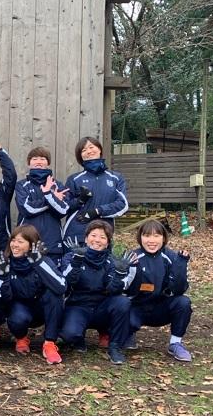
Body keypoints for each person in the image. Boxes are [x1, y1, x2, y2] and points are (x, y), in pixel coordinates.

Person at [59, 220, 136, 365]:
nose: (97, 240)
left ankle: (115, 346)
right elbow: (67, 282)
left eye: (102, 237)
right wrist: (77, 261)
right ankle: (78, 338)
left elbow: (113, 290)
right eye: (93, 235)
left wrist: (119, 274)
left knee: (123, 302)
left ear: (107, 243)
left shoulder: (110, 261)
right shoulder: (72, 256)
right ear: (86, 238)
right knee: (70, 334)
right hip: (78, 306)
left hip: (101, 307)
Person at [0, 225, 66, 364]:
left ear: (31, 245)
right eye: (13, 240)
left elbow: (61, 286)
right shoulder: (5, 263)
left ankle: (49, 343)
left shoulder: (42, 260)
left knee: (54, 295)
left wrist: (38, 263)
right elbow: (2, 300)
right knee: (17, 318)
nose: (15, 245)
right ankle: (21, 337)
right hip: (20, 308)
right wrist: (3, 277)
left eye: (20, 242)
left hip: (41, 307)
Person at [126, 219, 193, 362]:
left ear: (163, 238)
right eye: (147, 235)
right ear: (140, 237)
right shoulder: (132, 256)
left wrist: (181, 264)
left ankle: (175, 343)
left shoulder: (172, 257)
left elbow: (179, 289)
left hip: (160, 308)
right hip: (136, 308)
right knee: (121, 306)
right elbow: (121, 288)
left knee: (183, 302)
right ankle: (128, 334)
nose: (151, 240)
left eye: (156, 236)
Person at [63, 137, 128, 245]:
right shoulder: (74, 179)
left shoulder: (115, 178)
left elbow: (122, 204)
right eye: (84, 150)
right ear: (80, 156)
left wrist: (97, 211)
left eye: (91, 147)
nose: (89, 151)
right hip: (76, 235)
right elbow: (64, 206)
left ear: (99, 149)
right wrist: (79, 200)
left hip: (103, 236)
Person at [15, 146, 69, 265]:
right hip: (27, 242)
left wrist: (49, 196)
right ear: (29, 163)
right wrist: (50, 198)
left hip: (53, 244)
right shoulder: (22, 185)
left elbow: (64, 210)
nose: (38, 162)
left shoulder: (57, 185)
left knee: (53, 276)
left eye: (42, 159)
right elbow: (26, 209)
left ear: (48, 163)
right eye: (34, 159)